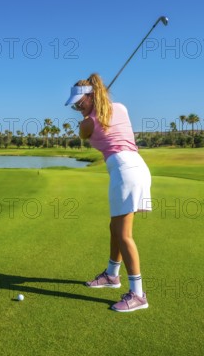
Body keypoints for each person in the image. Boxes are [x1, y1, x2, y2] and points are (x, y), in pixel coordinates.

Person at [64, 73, 152, 312]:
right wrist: (96, 103)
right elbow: (106, 112)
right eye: (75, 105)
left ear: (91, 98)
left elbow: (85, 131)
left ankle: (138, 294)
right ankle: (112, 275)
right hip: (136, 167)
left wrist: (92, 110)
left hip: (125, 170)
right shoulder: (120, 108)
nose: (77, 108)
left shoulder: (87, 124)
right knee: (114, 228)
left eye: (80, 103)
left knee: (124, 235)